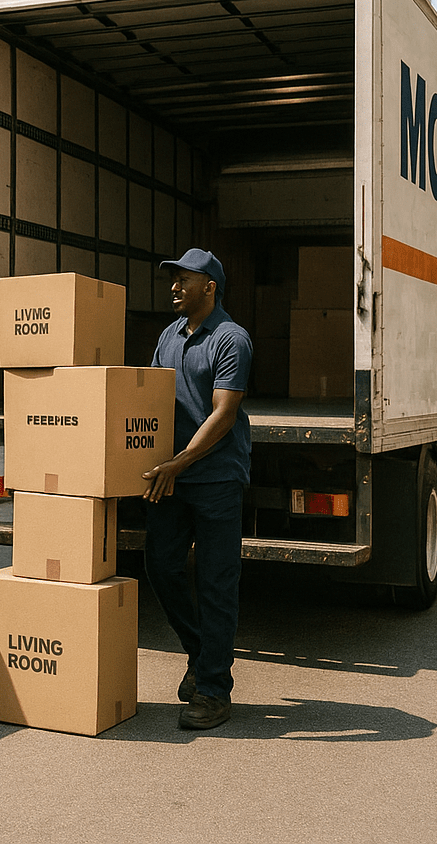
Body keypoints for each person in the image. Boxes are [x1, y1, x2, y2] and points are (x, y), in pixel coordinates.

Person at [140, 247, 252, 731]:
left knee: (215, 583)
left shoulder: (231, 339)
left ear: (209, 286)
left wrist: (179, 463)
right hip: (173, 476)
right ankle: (201, 653)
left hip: (216, 478)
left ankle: (213, 689)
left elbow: (223, 414)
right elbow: (144, 399)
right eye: (173, 280)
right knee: (160, 567)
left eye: (183, 280)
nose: (173, 287)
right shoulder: (168, 337)